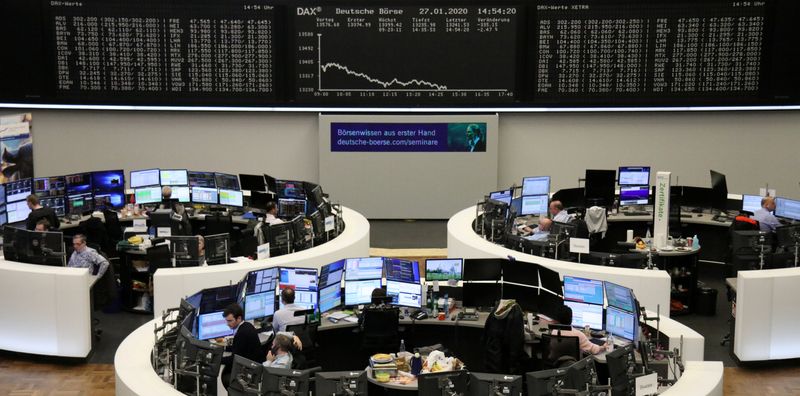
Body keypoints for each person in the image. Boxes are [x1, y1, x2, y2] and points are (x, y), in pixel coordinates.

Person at [220, 303, 264, 390]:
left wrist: (218, 359)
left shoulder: (242, 333)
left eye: (230, 321)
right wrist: (224, 348)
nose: (227, 324)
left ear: (239, 318)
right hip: (254, 364)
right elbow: (239, 347)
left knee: (225, 377)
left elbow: (234, 359)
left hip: (249, 371)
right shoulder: (247, 325)